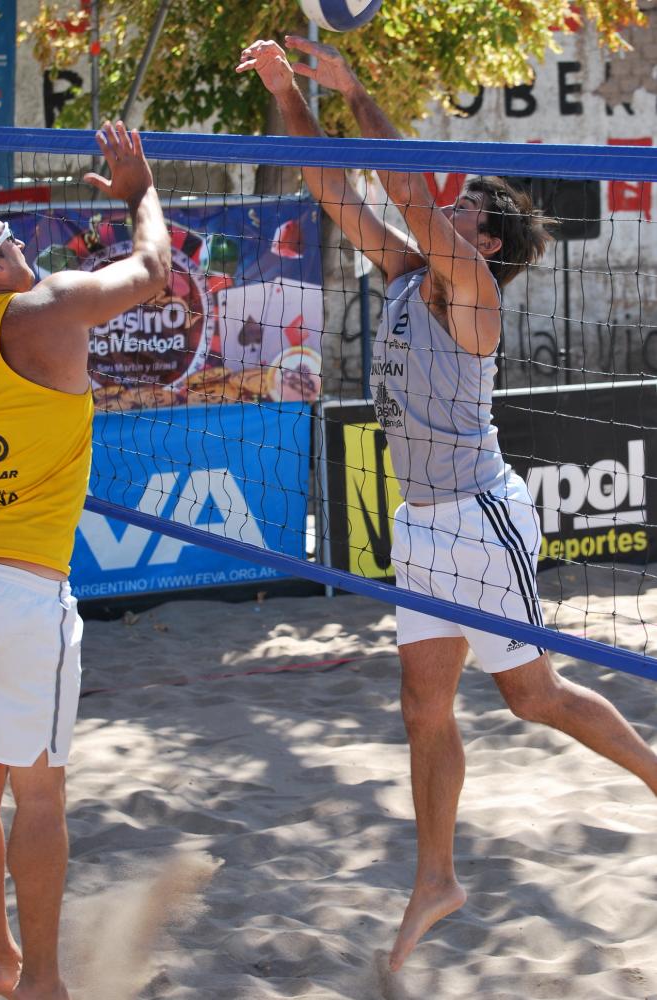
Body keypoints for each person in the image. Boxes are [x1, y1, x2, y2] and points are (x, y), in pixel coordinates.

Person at [237, 38, 657, 973]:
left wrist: (355, 91)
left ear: (487, 242)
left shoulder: (470, 292)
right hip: (422, 523)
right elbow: (335, 187)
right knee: (422, 708)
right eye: (452, 202)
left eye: (466, 206)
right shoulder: (402, 274)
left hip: (478, 516)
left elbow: (407, 188)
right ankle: (436, 878)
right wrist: (287, 91)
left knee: (532, 697)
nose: (449, 205)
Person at [0, 121, 170, 1000]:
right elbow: (155, 270)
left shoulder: (37, 306)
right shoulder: (46, 309)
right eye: (9, 241)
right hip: (24, 593)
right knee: (39, 796)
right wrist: (141, 190)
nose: (23, 245)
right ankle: (45, 983)